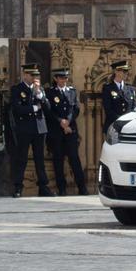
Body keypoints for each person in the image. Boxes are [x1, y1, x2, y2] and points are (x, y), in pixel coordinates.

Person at [6, 63, 53, 197]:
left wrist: (39, 95)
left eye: (36, 75)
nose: (34, 78)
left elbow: (48, 107)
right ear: (25, 75)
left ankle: (43, 187)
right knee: (22, 159)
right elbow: (17, 108)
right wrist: (33, 108)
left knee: (40, 159)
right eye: (32, 75)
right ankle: (18, 187)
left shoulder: (40, 90)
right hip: (24, 128)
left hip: (39, 129)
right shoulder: (17, 89)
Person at [46, 66, 88, 196]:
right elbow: (49, 111)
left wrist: (67, 122)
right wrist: (61, 122)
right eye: (62, 78)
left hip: (70, 130)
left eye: (66, 78)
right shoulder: (50, 92)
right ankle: (62, 188)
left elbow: (75, 109)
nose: (64, 80)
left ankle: (82, 187)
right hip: (57, 131)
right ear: (56, 79)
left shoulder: (71, 91)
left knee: (74, 159)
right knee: (58, 160)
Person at [101, 60, 136, 126]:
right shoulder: (108, 88)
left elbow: (134, 107)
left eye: (127, 71)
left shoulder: (130, 89)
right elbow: (108, 109)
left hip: (128, 125)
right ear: (116, 71)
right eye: (123, 71)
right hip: (113, 125)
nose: (126, 73)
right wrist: (120, 120)